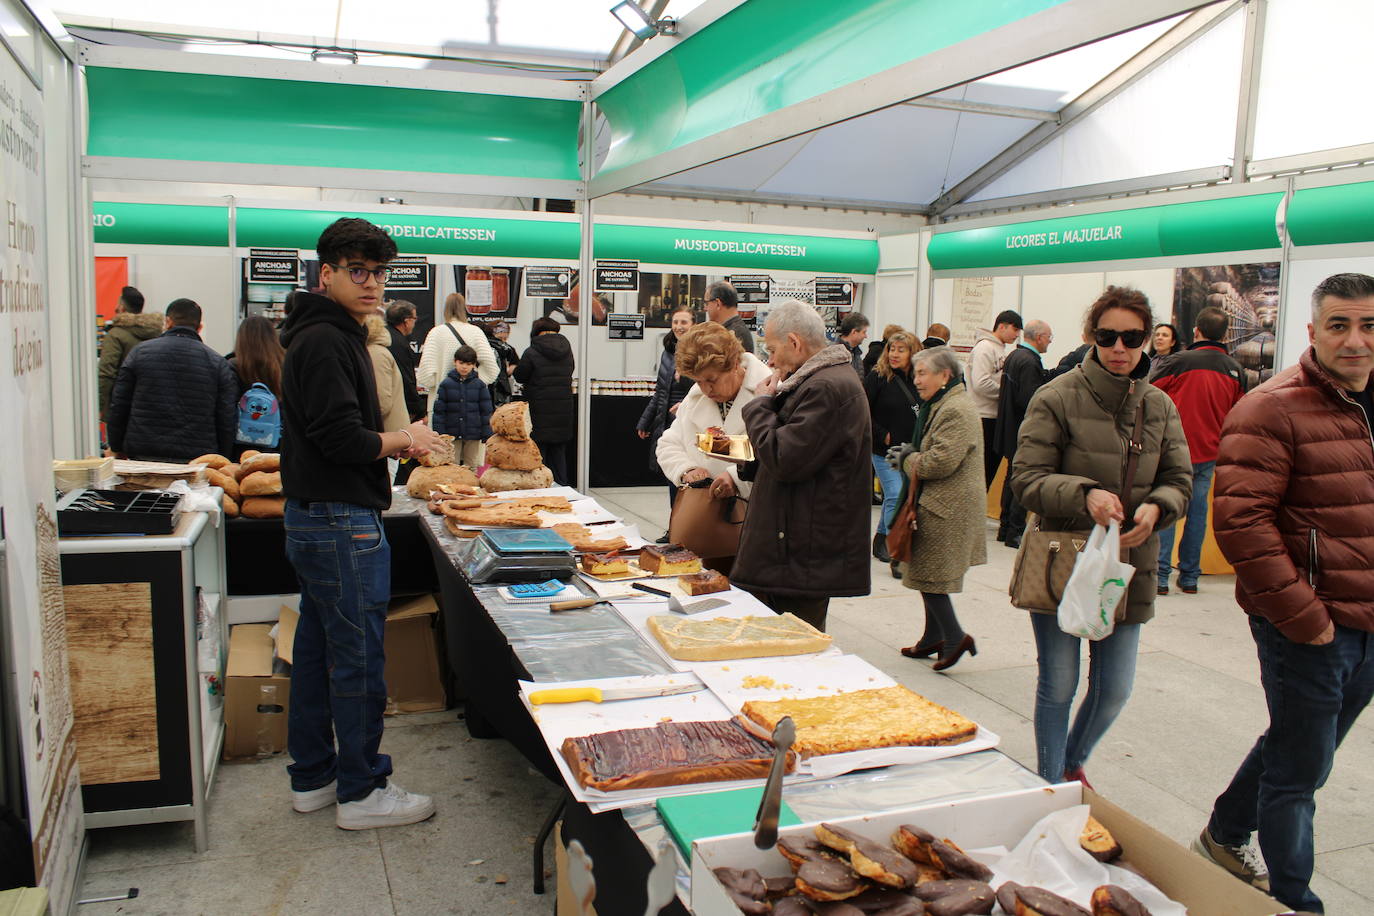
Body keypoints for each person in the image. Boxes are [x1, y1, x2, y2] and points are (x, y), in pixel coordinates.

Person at [1195, 273, 1374, 913]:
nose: (1355, 341)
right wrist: (1304, 616)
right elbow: (1241, 522)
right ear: (1313, 332)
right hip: (1309, 624)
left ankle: (1222, 832)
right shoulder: (1272, 407)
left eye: (1369, 326)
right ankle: (1294, 901)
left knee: (1302, 743)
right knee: (1301, 774)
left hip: (1366, 622)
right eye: (1340, 325)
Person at [278, 217, 445, 830]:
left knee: (320, 649)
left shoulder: (326, 334)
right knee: (357, 659)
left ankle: (315, 777)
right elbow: (339, 437)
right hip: (340, 519)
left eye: (379, 272)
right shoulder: (327, 341)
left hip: (322, 516)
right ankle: (362, 790)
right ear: (327, 273)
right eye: (358, 271)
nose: (372, 283)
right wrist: (407, 438)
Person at [1010, 286, 1191, 786]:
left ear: (1147, 342)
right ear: (1091, 335)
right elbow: (1026, 479)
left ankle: (1072, 762)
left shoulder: (1159, 406)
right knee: (1059, 684)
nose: (1119, 347)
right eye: (1108, 335)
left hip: (1130, 565)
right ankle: (1050, 783)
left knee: (1114, 687)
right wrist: (1086, 494)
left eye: (1132, 337)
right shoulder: (1057, 396)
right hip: (1064, 560)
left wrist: (1158, 507)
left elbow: (1180, 481)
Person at [733, 301, 872, 631]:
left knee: (792, 648)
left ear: (795, 342)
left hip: (798, 553)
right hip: (794, 548)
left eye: (773, 348)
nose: (770, 359)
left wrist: (759, 405)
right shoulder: (817, 381)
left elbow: (784, 457)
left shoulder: (825, 387)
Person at [887, 346, 987, 671]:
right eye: (915, 373)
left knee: (930, 577)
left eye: (922, 373)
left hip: (947, 507)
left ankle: (956, 638)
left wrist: (907, 459)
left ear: (944, 375)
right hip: (941, 503)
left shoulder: (955, 409)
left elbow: (939, 463)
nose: (916, 380)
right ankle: (933, 637)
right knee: (925, 574)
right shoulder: (944, 403)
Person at [655, 321, 773, 567]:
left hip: (755, 528)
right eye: (698, 381)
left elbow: (776, 455)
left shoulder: (770, 391)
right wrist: (686, 470)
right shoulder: (696, 396)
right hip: (703, 527)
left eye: (712, 380)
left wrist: (735, 477)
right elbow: (668, 444)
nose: (706, 389)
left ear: (733, 365)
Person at [1148, 306, 1246, 595]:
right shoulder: (1236, 370)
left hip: (1173, 451)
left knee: (1167, 508)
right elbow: (1239, 415)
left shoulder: (1177, 362)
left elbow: (1150, 395)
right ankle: (1190, 577)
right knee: (1197, 514)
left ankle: (1160, 576)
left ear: (1196, 331)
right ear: (1225, 334)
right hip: (1210, 454)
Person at [105, 298, 238, 463]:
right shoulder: (217, 363)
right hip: (197, 458)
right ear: (199, 327)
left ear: (168, 322)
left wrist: (116, 446)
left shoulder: (139, 353)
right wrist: (223, 456)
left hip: (144, 453)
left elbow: (120, 404)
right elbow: (226, 416)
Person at [993, 319, 1053, 549]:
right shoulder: (1029, 362)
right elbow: (1029, 399)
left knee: (1011, 478)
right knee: (1021, 481)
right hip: (1022, 431)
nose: (1049, 341)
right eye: (1049, 337)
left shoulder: (1015, 356)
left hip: (1010, 429)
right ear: (1039, 337)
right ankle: (1014, 530)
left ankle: (1005, 526)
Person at [864, 330, 921, 572]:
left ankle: (880, 541)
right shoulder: (877, 377)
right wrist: (881, 433)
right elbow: (862, 409)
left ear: (913, 353)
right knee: (896, 494)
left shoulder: (918, 378)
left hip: (910, 451)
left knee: (897, 496)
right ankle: (897, 551)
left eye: (901, 350)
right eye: (891, 349)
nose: (894, 354)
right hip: (883, 449)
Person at [638, 309, 696, 511]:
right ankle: (674, 526)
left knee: (686, 477)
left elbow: (702, 390)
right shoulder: (668, 352)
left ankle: (682, 526)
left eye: (684, 322)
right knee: (672, 475)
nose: (679, 326)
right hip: (666, 423)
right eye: (675, 321)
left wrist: (685, 376)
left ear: (693, 325)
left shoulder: (698, 352)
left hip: (687, 423)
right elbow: (660, 392)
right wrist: (646, 421)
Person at [416, 292, 497, 419]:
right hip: (471, 404)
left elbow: (425, 376)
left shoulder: (436, 333)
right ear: (464, 308)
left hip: (441, 405)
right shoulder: (475, 332)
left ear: (445, 309)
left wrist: (439, 380)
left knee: (442, 439)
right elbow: (492, 369)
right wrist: (472, 382)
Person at [515, 317, 575, 485]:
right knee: (559, 452)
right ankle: (562, 487)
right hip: (563, 409)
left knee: (538, 452)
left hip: (538, 409)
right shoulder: (567, 350)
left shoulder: (531, 351)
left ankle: (540, 488)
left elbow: (520, 376)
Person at [969, 309, 1023, 487]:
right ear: (1002, 326)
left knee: (990, 471)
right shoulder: (984, 348)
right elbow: (980, 383)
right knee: (982, 473)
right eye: (1015, 330)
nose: (1017, 335)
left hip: (995, 416)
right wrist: (1006, 394)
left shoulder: (1000, 349)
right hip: (983, 417)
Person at [228, 315, 287, 457]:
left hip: (242, 442)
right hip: (276, 441)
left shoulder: (233, 365)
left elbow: (227, 407)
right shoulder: (284, 364)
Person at [98, 285, 161, 419]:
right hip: (151, 405)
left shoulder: (115, 335)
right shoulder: (157, 333)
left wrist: (99, 406)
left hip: (121, 406)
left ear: (122, 308)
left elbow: (106, 373)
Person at [432, 344, 494, 467]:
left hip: (473, 432)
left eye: (469, 364)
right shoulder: (446, 384)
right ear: (455, 362)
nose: (464, 367)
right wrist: (440, 432)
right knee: (451, 464)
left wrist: (487, 433)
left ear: (474, 365)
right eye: (461, 363)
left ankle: (471, 486)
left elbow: (486, 411)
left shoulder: (480, 385)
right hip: (452, 433)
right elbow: (439, 411)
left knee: (471, 465)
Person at [365, 314, 410, 434]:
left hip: (387, 432)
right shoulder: (377, 351)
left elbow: (382, 402)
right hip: (390, 431)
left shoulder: (375, 353)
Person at [384, 300, 424, 421]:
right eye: (414, 318)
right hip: (396, 405)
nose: (415, 323)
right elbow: (406, 379)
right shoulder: (399, 344)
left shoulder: (385, 336)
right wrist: (419, 411)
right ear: (406, 321)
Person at [704, 280, 754, 355]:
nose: (705, 308)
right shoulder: (734, 330)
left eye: (706, 303)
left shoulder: (733, 335)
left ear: (718, 303)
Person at [484, 320, 520, 408]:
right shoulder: (485, 348)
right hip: (488, 384)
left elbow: (516, 363)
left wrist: (512, 368)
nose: (502, 342)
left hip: (502, 387)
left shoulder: (509, 349)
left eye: (505, 339)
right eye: (500, 339)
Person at [838, 313, 870, 377]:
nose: (866, 336)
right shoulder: (835, 353)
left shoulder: (856, 352)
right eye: (864, 332)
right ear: (854, 332)